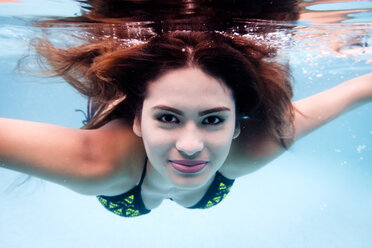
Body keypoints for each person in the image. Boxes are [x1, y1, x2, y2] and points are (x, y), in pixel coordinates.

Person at [0, 31, 371, 217]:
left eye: (213, 119)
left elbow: (357, 90)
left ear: (238, 125)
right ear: (139, 122)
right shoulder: (99, 162)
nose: (191, 145)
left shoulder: (254, 146)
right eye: (167, 118)